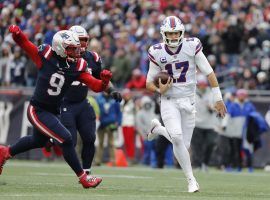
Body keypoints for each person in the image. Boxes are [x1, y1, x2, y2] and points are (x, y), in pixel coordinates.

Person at [0, 25, 112, 188]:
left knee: (38, 141)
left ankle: (5, 152)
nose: (77, 52)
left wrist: (104, 82)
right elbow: (25, 44)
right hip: (37, 109)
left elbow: (95, 86)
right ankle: (83, 178)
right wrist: (17, 34)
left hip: (53, 111)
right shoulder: (45, 56)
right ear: (61, 48)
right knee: (66, 138)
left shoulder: (76, 66)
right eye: (72, 49)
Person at [146, 16, 227, 193]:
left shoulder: (192, 46)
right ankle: (191, 180)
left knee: (183, 145)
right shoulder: (157, 51)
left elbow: (209, 72)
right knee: (176, 138)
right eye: (170, 34)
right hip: (169, 100)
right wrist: (160, 90)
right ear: (164, 34)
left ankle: (158, 130)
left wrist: (218, 98)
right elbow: (148, 83)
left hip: (189, 101)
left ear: (181, 33)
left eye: (176, 33)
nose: (174, 37)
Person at [58, 25, 122, 175]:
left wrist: (112, 90)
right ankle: (51, 139)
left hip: (82, 102)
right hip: (65, 103)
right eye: (79, 40)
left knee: (90, 137)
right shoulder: (61, 57)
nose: (82, 44)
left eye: (84, 40)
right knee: (70, 141)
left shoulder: (92, 58)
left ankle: (86, 172)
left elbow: (102, 78)